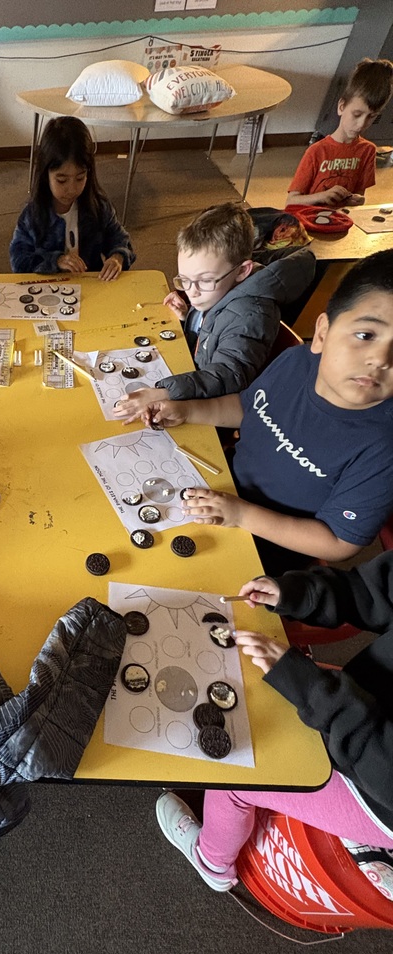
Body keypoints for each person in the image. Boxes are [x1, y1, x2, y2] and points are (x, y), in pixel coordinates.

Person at [114, 247, 393, 574]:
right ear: (322, 333)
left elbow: (337, 543)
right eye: (365, 335)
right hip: (224, 487)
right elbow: (248, 407)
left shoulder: (383, 447)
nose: (381, 359)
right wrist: (187, 411)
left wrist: (243, 515)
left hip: (274, 544)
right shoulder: (297, 362)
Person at [156, 554, 393, 893]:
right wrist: (299, 592)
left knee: (237, 774)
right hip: (357, 698)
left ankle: (213, 862)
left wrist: (312, 688)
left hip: (376, 792)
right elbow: (375, 590)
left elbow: (384, 770)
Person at [131, 203, 315, 401]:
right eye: (184, 279)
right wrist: (189, 319)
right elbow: (212, 334)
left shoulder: (251, 317)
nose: (192, 291)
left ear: (243, 271)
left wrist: (167, 392)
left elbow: (229, 374)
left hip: (216, 405)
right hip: (197, 381)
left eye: (205, 280)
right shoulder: (218, 292)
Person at [9, 116, 135, 280]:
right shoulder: (33, 214)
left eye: (80, 178)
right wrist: (56, 261)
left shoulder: (99, 207)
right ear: (45, 174)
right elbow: (18, 260)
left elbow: (120, 240)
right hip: (48, 291)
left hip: (90, 287)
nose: (72, 189)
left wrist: (117, 257)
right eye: (61, 180)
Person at [287, 58, 393, 208]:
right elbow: (291, 201)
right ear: (341, 107)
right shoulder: (317, 151)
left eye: (371, 117)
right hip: (311, 220)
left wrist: (358, 200)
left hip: (341, 221)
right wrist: (323, 196)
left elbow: (360, 195)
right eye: (356, 114)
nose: (361, 124)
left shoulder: (368, 151)